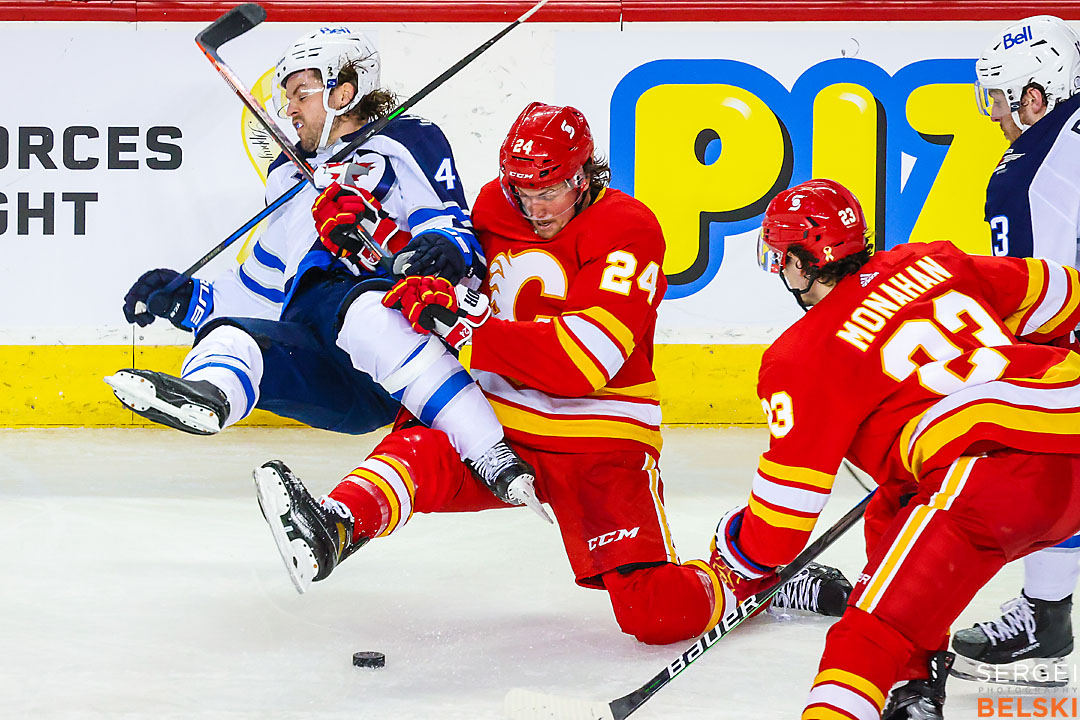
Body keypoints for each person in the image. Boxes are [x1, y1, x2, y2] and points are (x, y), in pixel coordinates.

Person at [252, 103, 853, 641]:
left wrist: (463, 324)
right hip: (502, 418)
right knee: (422, 442)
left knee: (656, 616)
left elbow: (585, 365)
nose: (536, 208)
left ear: (586, 175)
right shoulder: (494, 204)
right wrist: (371, 231)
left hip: (599, 438)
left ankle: (754, 584)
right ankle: (335, 526)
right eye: (523, 192)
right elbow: (444, 266)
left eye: (553, 190)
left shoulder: (631, 229)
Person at [105, 26, 540, 511]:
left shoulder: (401, 141)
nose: (289, 109)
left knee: (360, 311)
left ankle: (492, 455)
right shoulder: (288, 177)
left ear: (343, 92)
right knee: (231, 337)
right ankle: (210, 399)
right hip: (328, 367)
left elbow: (447, 224)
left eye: (299, 93)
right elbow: (265, 287)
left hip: (387, 353)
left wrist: (444, 247)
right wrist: (188, 300)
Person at [709, 178, 1080, 718]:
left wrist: (733, 544)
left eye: (779, 258)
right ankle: (916, 685)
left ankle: (892, 673)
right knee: (894, 509)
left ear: (800, 264)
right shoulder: (932, 261)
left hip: (994, 477)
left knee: (865, 638)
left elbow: (780, 530)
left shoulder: (801, 356)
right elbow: (1061, 293)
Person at [947, 15, 1080, 681]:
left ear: (1034, 98)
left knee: (1048, 446)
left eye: (1000, 101)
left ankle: (1045, 620)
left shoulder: (1024, 170)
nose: (996, 118)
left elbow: (1038, 306)